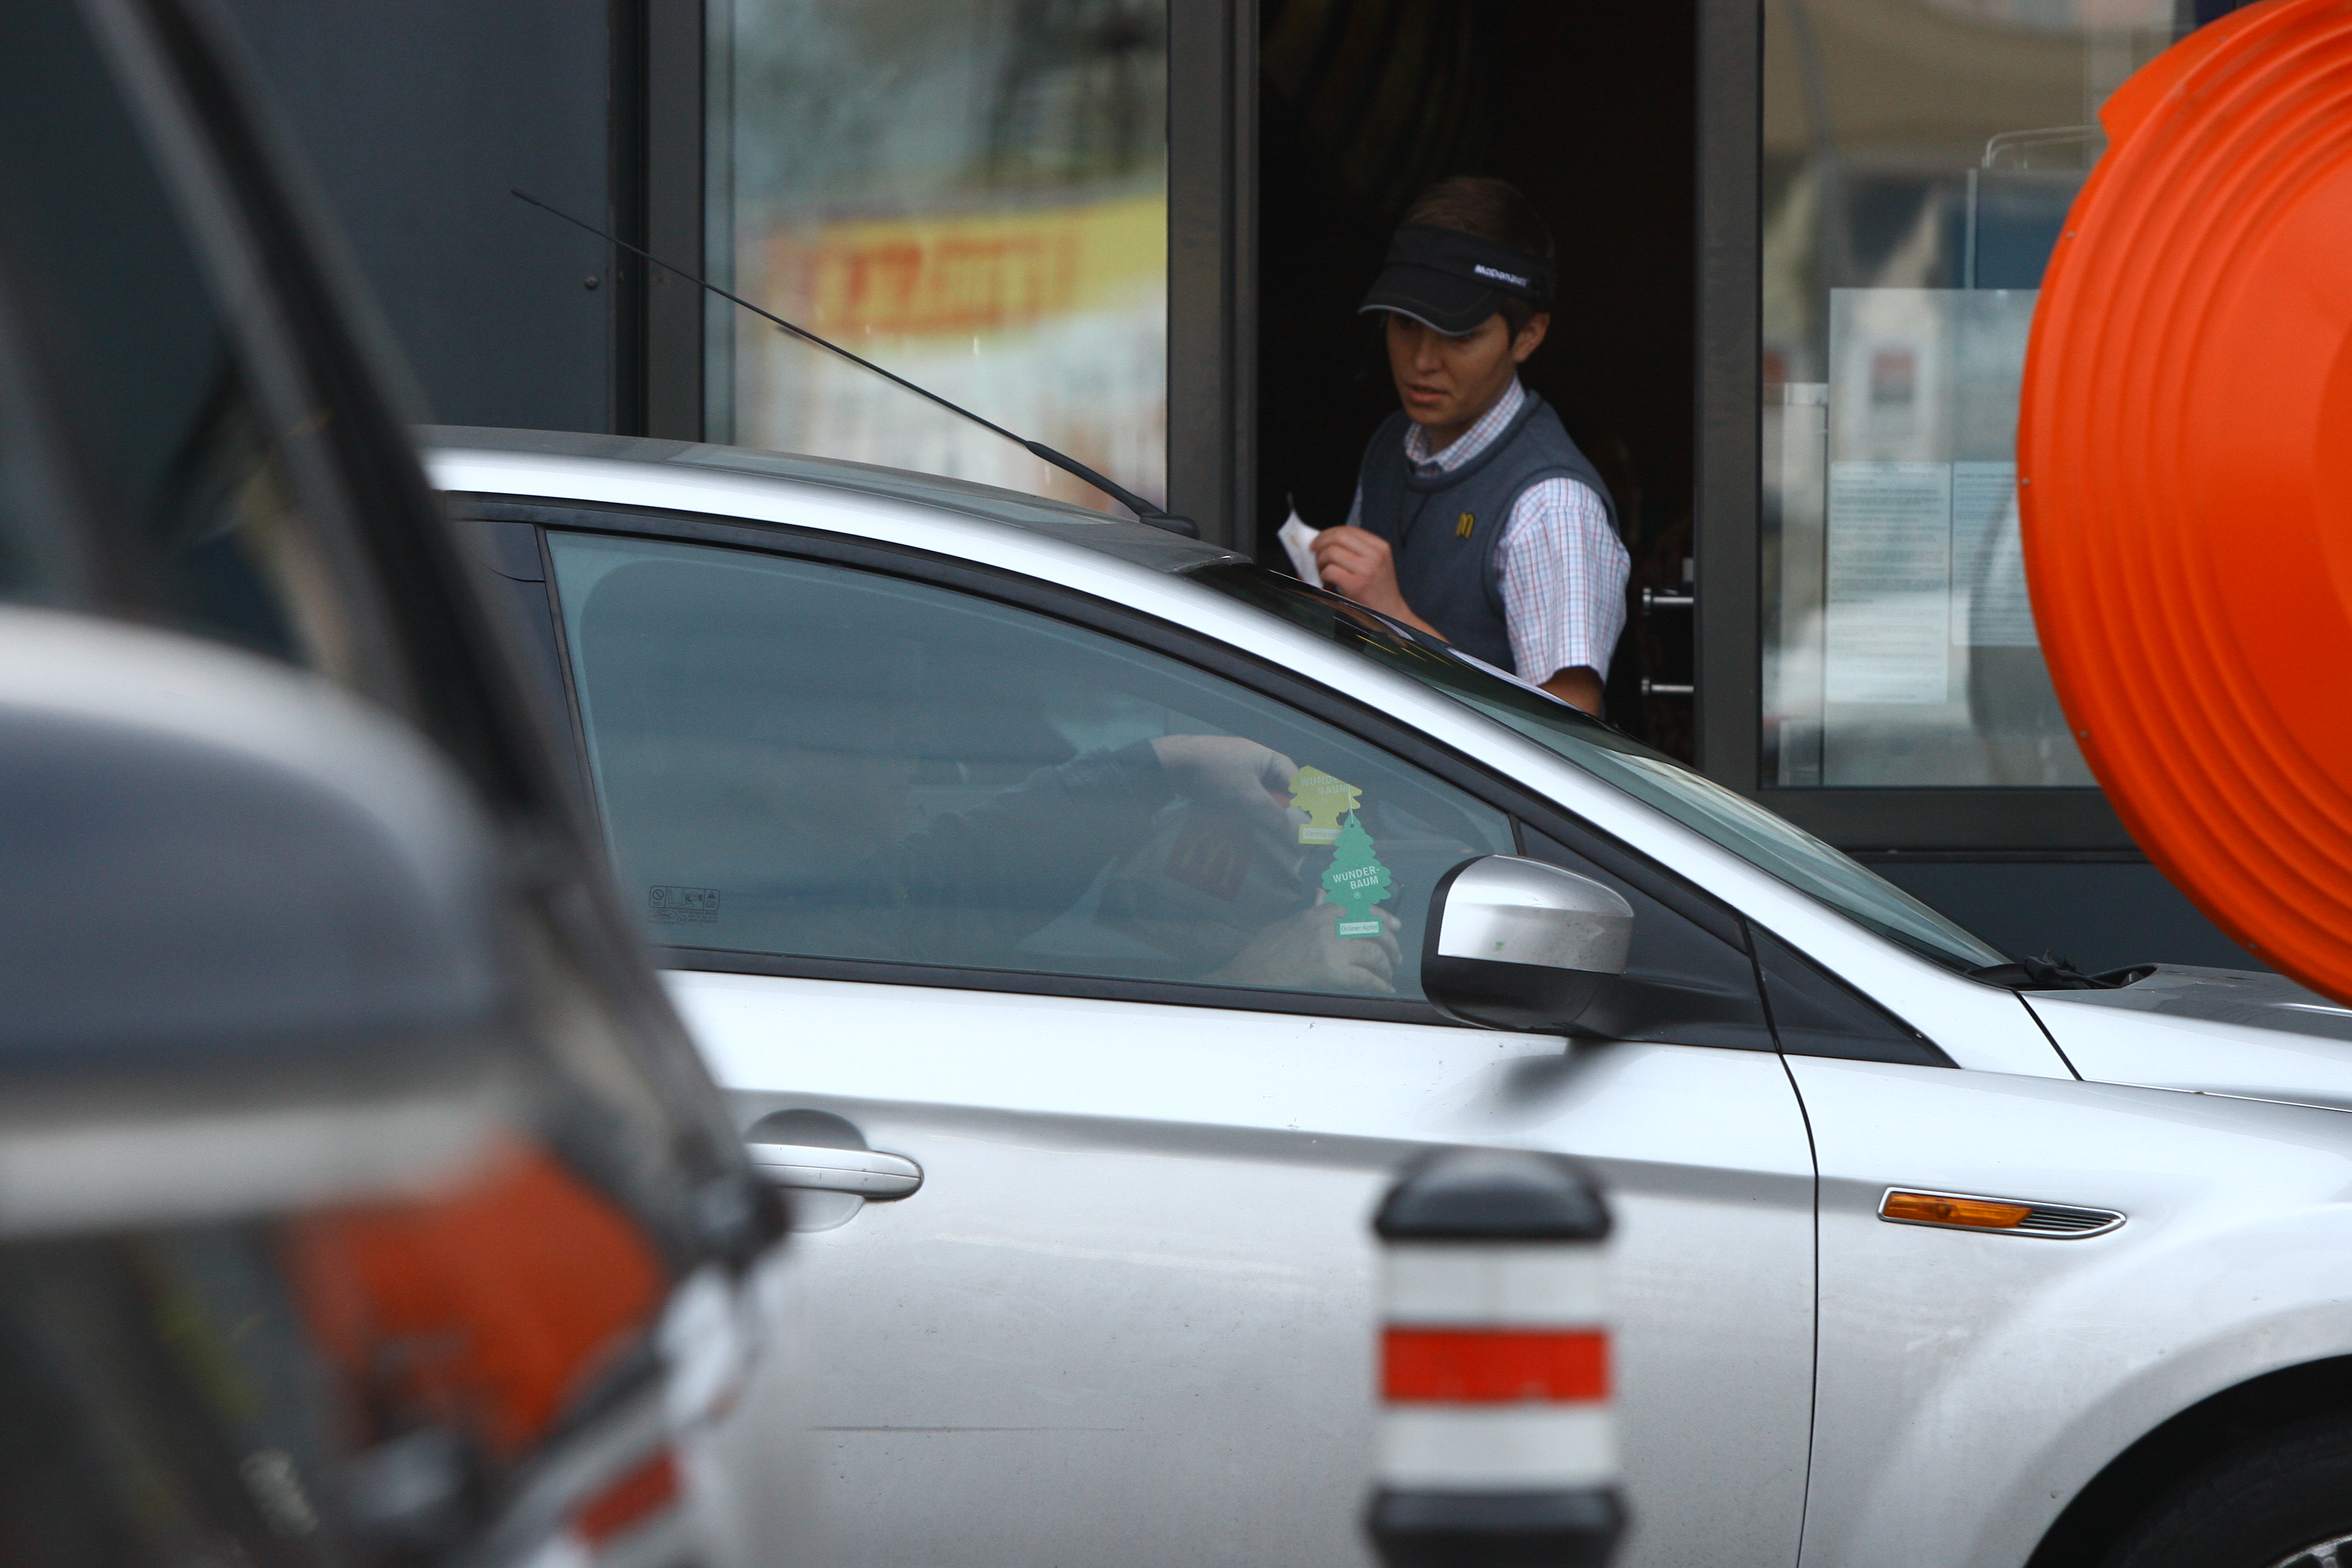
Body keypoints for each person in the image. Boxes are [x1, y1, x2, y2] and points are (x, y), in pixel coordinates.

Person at [1311, 177, 1631, 715]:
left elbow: (1566, 730)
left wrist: (1395, 618)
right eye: (1405, 323)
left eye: (1459, 335)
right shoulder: (1392, 445)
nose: (1423, 360)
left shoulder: (1551, 507)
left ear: (1528, 335)